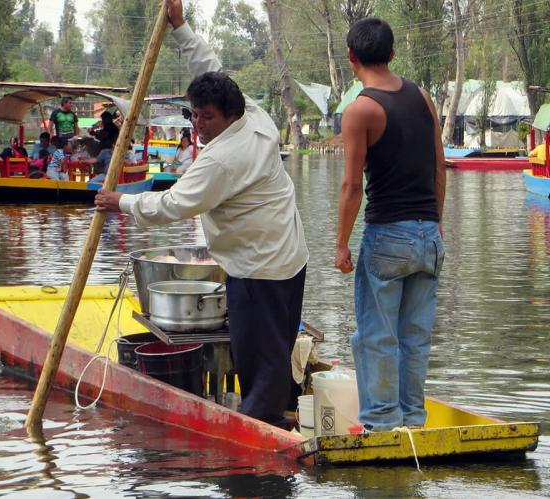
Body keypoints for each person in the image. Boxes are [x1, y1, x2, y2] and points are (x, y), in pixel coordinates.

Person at [94, 0, 308, 428]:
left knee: (258, 356)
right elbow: (209, 67)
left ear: (229, 115)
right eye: (194, 115)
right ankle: (283, 407)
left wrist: (121, 202)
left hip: (259, 267)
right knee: (276, 347)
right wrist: (181, 27)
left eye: (206, 117)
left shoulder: (223, 159)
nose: (198, 125)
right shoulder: (252, 113)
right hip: (288, 256)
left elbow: (172, 204)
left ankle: (262, 428)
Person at [334, 17, 446, 433]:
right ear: (393, 53)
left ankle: (382, 423)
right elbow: (439, 167)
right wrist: (437, 223)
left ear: (351, 57)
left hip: (388, 238)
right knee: (415, 337)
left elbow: (351, 185)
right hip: (428, 234)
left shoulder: (360, 109)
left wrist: (341, 244)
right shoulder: (422, 97)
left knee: (376, 336)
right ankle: (413, 421)